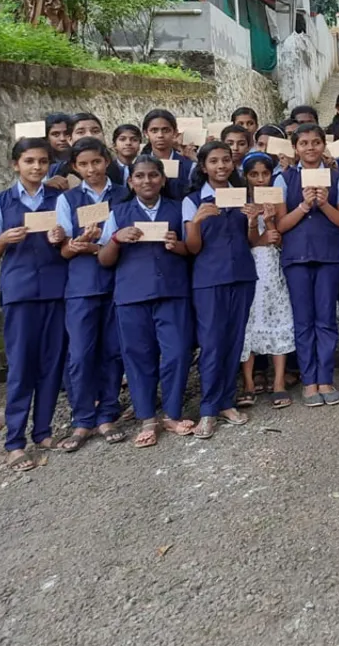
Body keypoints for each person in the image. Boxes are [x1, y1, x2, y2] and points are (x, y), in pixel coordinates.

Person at [97, 156, 195, 448]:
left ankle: (173, 414)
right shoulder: (119, 213)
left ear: (163, 180)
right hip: (132, 295)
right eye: (139, 176)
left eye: (153, 175)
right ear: (130, 181)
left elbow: (191, 249)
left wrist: (174, 244)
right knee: (138, 357)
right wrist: (116, 239)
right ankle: (147, 418)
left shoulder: (177, 209)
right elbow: (103, 259)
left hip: (172, 291)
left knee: (177, 353)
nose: (147, 181)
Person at [0, 137, 68, 471]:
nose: (36, 167)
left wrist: (61, 237)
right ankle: (15, 442)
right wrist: (4, 239)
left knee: (51, 363)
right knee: (21, 366)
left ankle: (43, 432)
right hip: (19, 292)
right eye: (30, 161)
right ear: (15, 164)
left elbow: (69, 240)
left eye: (43, 162)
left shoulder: (59, 198)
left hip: (56, 289)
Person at [56, 137, 129, 451]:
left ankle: (108, 414)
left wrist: (102, 244)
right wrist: (79, 243)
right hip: (82, 286)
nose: (91, 169)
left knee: (113, 350)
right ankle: (82, 418)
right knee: (81, 354)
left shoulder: (124, 193)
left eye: (96, 162)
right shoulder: (68, 200)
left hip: (118, 282)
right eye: (83, 164)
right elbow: (64, 250)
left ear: (106, 161)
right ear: (74, 167)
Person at [182, 141, 258, 439]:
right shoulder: (193, 201)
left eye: (226, 160)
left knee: (234, 340)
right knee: (212, 344)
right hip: (209, 279)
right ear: (203, 167)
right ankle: (208, 409)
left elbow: (251, 240)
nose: (221, 166)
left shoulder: (243, 197)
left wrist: (252, 220)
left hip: (241, 275)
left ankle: (227, 402)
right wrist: (196, 223)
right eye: (214, 161)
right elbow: (192, 248)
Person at [275, 123, 339, 406]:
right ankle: (309, 381)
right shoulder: (283, 179)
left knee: (326, 319)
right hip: (296, 258)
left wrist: (324, 203)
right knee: (303, 320)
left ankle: (325, 378)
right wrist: (305, 206)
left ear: (324, 145)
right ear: (295, 148)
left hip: (329, 256)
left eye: (315, 142)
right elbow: (281, 225)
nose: (310, 148)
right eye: (304, 143)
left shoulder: (336, 177)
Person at [238, 153, 294, 409]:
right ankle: (249, 382)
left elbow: (279, 236)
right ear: (246, 177)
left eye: (265, 174)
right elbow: (248, 241)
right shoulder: (242, 201)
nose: (261, 179)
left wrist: (270, 219)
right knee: (250, 319)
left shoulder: (276, 197)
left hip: (273, 264)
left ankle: (279, 381)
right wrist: (253, 222)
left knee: (278, 316)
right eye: (254, 174)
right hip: (250, 264)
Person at [141, 109, 194, 201]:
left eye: (165, 130)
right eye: (154, 130)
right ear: (146, 133)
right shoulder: (139, 165)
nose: (160, 135)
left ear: (175, 133)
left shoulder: (189, 167)